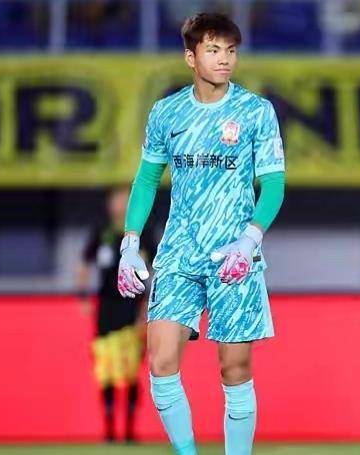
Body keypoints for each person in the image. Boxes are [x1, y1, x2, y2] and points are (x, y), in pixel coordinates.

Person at [116, 12, 286, 455]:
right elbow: (146, 181)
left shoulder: (255, 112)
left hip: (234, 257)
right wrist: (130, 243)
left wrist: (249, 241)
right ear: (190, 57)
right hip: (179, 254)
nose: (224, 59)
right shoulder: (166, 113)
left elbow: (273, 186)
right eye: (213, 50)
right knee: (161, 362)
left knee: (235, 368)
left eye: (230, 51)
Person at [76, 186, 155, 443]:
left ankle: (129, 430)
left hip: (133, 308)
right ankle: (109, 429)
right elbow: (84, 264)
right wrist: (82, 296)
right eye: (117, 201)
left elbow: (157, 269)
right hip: (106, 310)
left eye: (126, 200)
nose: (121, 205)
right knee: (106, 370)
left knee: (131, 371)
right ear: (110, 206)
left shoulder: (144, 233)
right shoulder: (102, 232)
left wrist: (149, 305)